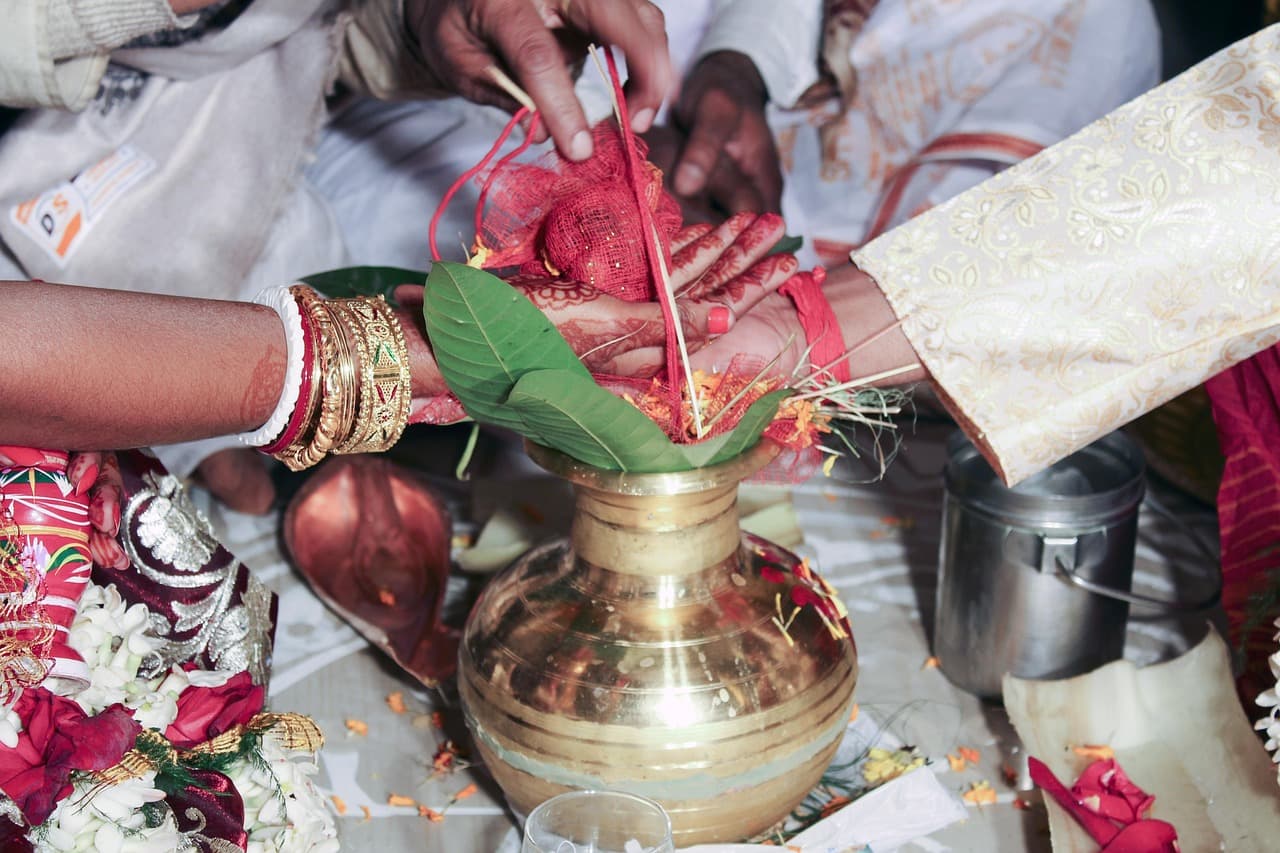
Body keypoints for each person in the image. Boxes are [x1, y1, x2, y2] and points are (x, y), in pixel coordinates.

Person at [0, 0, 675, 511]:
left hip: (221, 139)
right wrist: (408, 355)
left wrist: (425, 21)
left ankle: (199, 424)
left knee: (291, 243)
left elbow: (309, 22)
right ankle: (190, 429)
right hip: (41, 223)